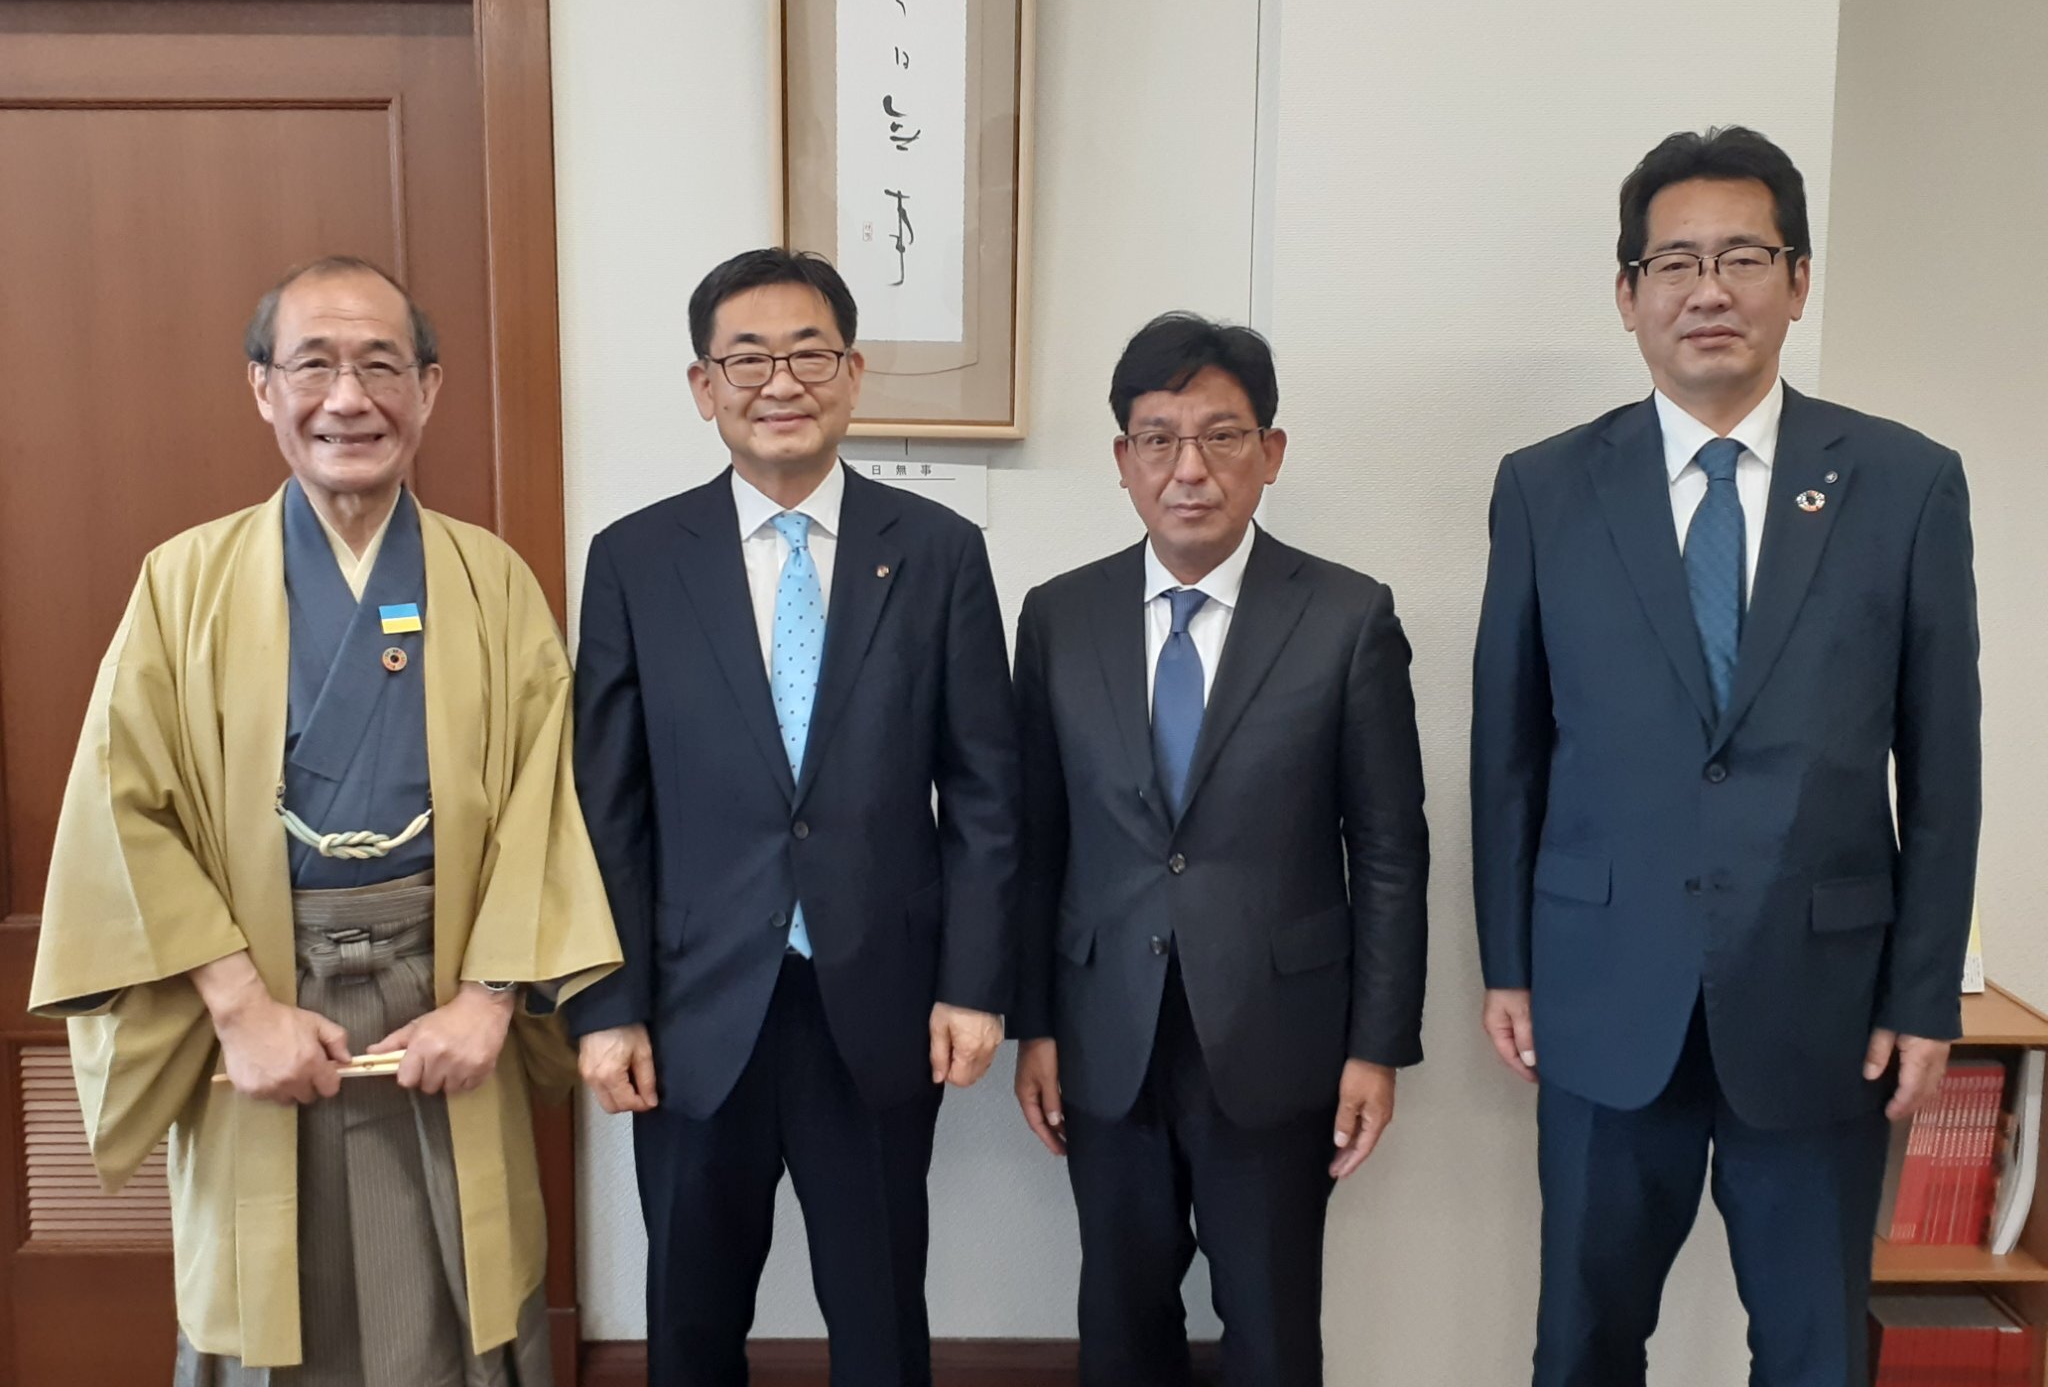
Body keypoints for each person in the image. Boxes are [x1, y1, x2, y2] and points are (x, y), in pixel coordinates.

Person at [28, 255, 622, 1384]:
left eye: (381, 366)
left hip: (444, 988)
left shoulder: (491, 582)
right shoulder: (183, 582)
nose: (348, 399)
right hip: (257, 989)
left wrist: (492, 999)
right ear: (263, 387)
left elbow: (550, 802)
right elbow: (122, 806)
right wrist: (237, 1006)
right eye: (314, 365)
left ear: (428, 388)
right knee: (267, 1292)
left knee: (457, 1289)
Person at [1471, 125, 1981, 1387]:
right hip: (1601, 989)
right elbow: (1507, 751)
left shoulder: (1905, 484)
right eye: (1675, 262)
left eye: (1743, 258)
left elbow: (1942, 765)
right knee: (1581, 1344)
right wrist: (1508, 963)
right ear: (1627, 294)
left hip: (1823, 1003)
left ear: (1796, 282)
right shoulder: (1544, 488)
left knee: (1814, 1352)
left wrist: (1922, 993)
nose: (1708, 290)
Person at [566, 248, 1019, 1387]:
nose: (781, 382)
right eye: (748, 358)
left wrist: (973, 983)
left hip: (875, 1001)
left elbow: (982, 791)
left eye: (809, 354)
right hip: (691, 1009)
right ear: (703, 385)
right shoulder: (633, 560)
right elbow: (606, 803)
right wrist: (606, 1005)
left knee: (880, 1321)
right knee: (689, 1323)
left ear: (853, 374)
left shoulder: (938, 553)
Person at [1010, 313, 1430, 1387]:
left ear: (1269, 452)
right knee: (1119, 1319)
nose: (1187, 468)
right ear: (1123, 460)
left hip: (1278, 1034)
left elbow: (1388, 850)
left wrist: (1376, 1046)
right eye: (1158, 439)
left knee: (1273, 1326)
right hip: (1105, 1030)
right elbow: (1036, 839)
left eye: (1220, 436)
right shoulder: (1058, 617)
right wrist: (1034, 1026)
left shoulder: (1345, 616)